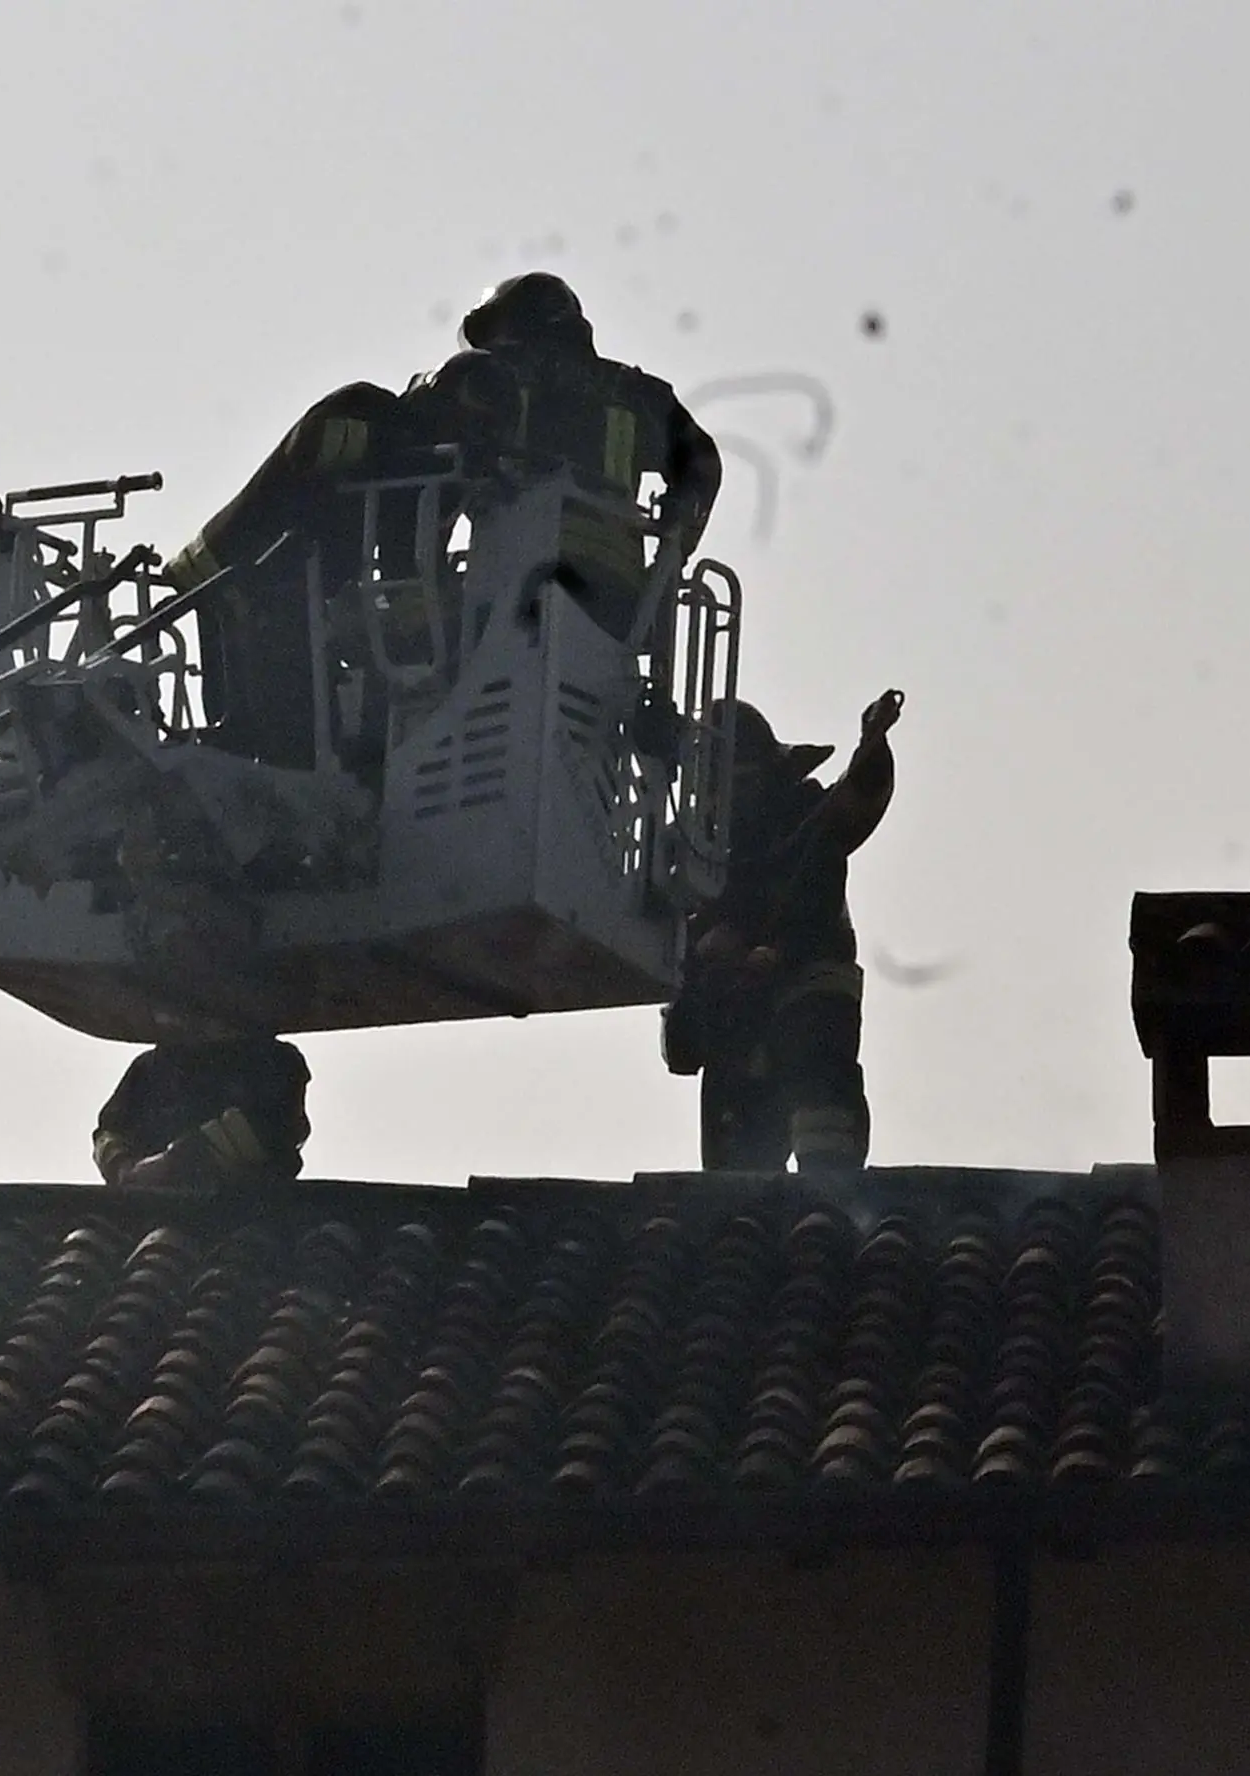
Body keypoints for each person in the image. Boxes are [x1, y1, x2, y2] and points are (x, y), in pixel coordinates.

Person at [404, 273, 726, 637]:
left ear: (521, 324)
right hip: (616, 596)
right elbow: (703, 465)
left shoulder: (493, 383)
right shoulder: (636, 392)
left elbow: (419, 439)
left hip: (508, 574)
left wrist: (424, 576)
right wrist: (669, 558)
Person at [662, 690, 903, 1172]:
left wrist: (873, 748)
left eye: (743, 781)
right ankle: (741, 1224)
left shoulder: (805, 818)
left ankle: (829, 1206)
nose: (732, 797)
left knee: (824, 1132)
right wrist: (710, 954)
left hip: (807, 996)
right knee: (735, 1194)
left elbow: (857, 799)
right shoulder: (688, 855)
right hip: (736, 1022)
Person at [166, 382, 417, 768]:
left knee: (262, 706)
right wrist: (391, 451)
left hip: (261, 575)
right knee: (279, 707)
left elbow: (401, 546)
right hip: (242, 568)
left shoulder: (410, 454)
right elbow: (312, 449)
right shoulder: (370, 412)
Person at [92, 1036, 312, 1190]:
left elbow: (268, 1130)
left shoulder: (274, 1060)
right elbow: (110, 1130)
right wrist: (122, 1166)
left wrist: (172, 1163)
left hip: (252, 1212)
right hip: (151, 1212)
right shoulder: (150, 1067)